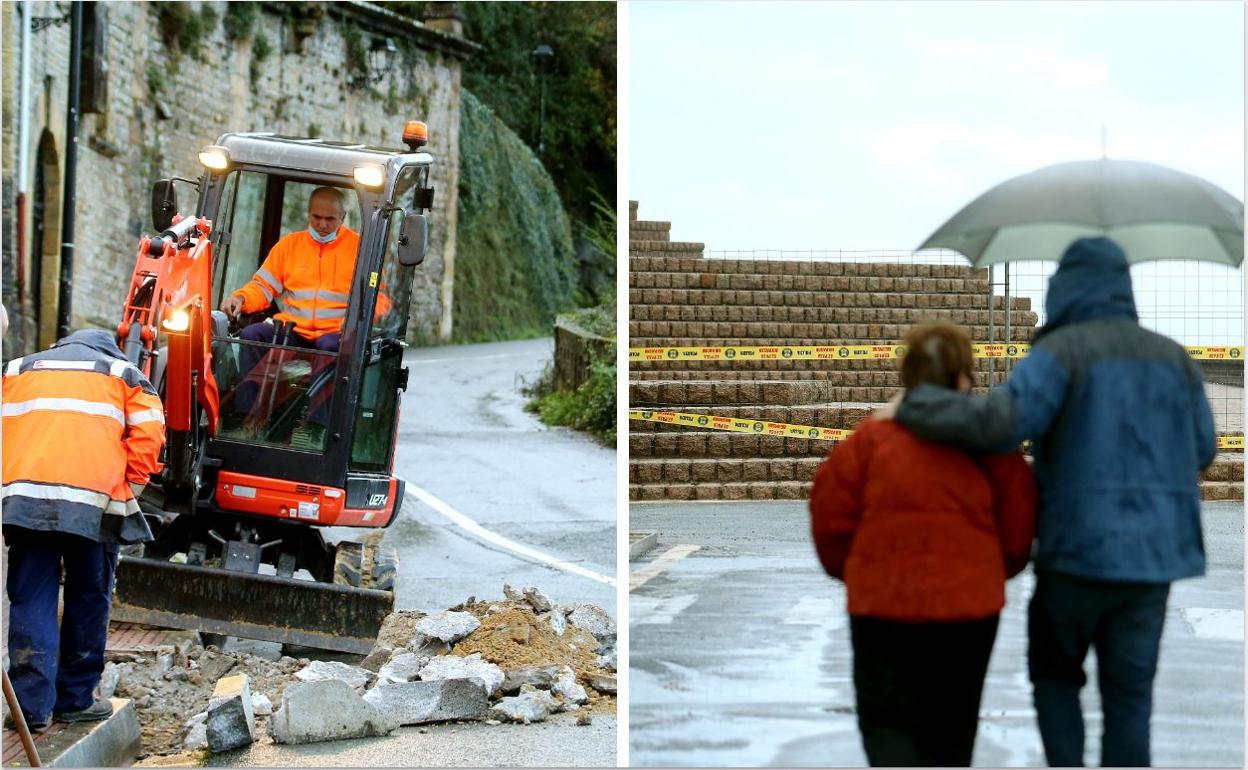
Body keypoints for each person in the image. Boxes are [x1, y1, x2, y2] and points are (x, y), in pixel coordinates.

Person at [882, 237, 1216, 767]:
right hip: (1152, 563)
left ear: (1065, 287)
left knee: (1056, 679)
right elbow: (1203, 449)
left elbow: (1001, 424)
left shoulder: (1062, 352)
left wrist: (920, 404)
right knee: (1131, 700)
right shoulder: (1173, 358)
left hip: (1075, 555)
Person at [810, 322, 1038, 767]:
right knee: (953, 728)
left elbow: (830, 522)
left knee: (887, 724)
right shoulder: (992, 448)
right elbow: (1018, 530)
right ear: (961, 379)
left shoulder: (867, 443)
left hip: (880, 606)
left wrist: (859, 572)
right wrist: (988, 572)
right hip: (968, 609)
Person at [2, 329, 163, 728]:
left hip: (25, 502)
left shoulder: (17, 369)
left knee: (30, 599)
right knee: (88, 597)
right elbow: (149, 435)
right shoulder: (123, 374)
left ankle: (29, 710)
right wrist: (131, 489)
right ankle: (74, 701)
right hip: (95, 505)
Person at [220, 186, 359, 447]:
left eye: (330, 219)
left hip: (333, 335)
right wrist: (240, 298)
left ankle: (316, 429)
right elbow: (263, 286)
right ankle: (245, 419)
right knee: (253, 336)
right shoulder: (290, 246)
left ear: (343, 216)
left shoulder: (358, 249)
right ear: (308, 214)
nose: (322, 224)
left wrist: (354, 326)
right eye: (316, 217)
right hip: (293, 333)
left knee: (331, 349)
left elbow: (379, 299)